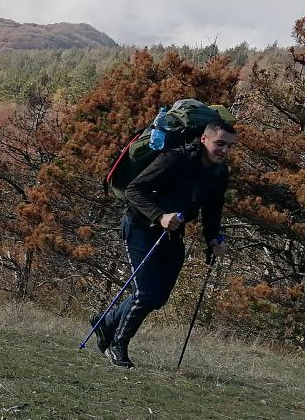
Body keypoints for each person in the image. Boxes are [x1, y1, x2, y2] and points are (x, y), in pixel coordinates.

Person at [93, 119, 237, 368]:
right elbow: (134, 190)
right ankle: (118, 344)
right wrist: (160, 216)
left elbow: (213, 210)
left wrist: (214, 238)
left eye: (229, 146)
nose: (224, 151)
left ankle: (105, 323)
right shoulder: (175, 159)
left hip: (173, 234)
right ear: (204, 139)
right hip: (140, 226)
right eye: (219, 144)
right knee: (147, 293)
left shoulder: (219, 173)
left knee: (158, 298)